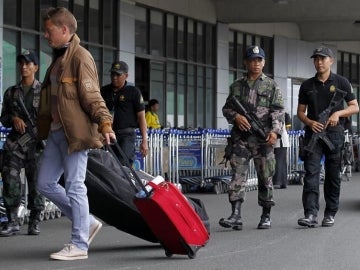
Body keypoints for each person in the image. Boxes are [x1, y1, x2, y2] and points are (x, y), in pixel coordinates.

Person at [37, 7, 116, 260]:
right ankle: (88, 222)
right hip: (57, 132)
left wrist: (105, 123)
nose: (45, 35)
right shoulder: (59, 59)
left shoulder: (80, 57)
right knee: (45, 183)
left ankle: (79, 244)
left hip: (75, 135)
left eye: (49, 31)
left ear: (64, 30)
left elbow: (92, 95)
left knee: (74, 186)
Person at [219, 45, 285, 230]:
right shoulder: (237, 85)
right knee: (237, 175)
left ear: (263, 62)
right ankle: (236, 215)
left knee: (265, 177)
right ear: (245, 62)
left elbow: (278, 111)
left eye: (259, 60)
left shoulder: (271, 85)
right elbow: (227, 108)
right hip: (241, 139)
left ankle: (265, 215)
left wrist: (275, 132)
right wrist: (236, 117)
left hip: (263, 139)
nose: (256, 64)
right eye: (252, 60)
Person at [297, 46, 359, 228]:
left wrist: (338, 114)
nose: (319, 62)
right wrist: (309, 122)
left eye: (323, 59)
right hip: (313, 135)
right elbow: (300, 112)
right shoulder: (307, 85)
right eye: (316, 59)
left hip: (334, 135)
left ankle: (330, 212)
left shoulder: (341, 82)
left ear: (331, 61)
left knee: (333, 176)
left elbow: (355, 106)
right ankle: (310, 214)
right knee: (311, 174)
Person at [0, 50, 45, 236]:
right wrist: (14, 119)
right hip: (15, 145)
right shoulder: (11, 92)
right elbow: (3, 118)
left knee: (36, 183)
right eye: (21, 63)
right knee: (10, 179)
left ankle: (34, 221)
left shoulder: (44, 92)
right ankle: (12, 221)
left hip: (36, 144)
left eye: (28, 63)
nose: (24, 67)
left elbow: (53, 118)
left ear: (36, 67)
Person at [101, 60, 148, 164]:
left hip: (126, 136)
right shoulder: (104, 91)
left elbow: (141, 117)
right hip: (107, 134)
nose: (114, 77)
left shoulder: (133, 92)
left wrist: (145, 141)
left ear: (126, 76)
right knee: (106, 164)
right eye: (112, 74)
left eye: (118, 74)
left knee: (123, 165)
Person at [273, 112, 291, 189]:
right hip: (282, 140)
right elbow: (288, 127)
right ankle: (283, 182)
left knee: (278, 162)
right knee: (282, 162)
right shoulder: (285, 114)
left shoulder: (283, 115)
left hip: (280, 141)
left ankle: (278, 181)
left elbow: (287, 127)